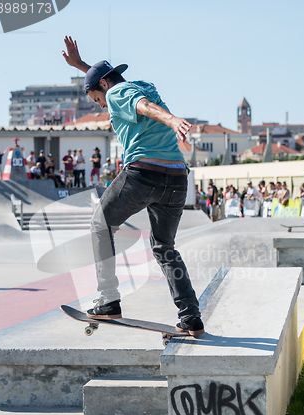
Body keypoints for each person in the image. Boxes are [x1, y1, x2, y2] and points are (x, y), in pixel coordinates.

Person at [61, 35, 204, 336]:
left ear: (103, 87)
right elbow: (118, 86)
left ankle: (108, 300)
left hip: (144, 174)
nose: (101, 106)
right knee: (165, 247)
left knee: (101, 223)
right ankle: (190, 316)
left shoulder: (117, 93)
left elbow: (142, 106)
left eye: (96, 100)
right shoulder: (134, 83)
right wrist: (82, 66)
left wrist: (171, 119)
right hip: (177, 179)